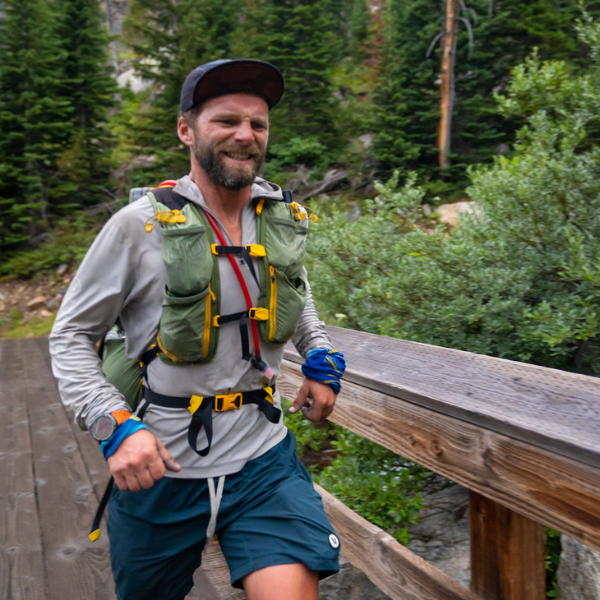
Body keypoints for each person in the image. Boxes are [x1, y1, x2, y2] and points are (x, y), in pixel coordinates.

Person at [49, 59, 346, 600]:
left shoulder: (279, 217)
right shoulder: (137, 226)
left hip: (263, 461)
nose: (245, 135)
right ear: (186, 130)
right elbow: (69, 336)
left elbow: (295, 299)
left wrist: (320, 356)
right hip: (159, 467)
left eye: (257, 125)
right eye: (226, 121)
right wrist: (113, 423)